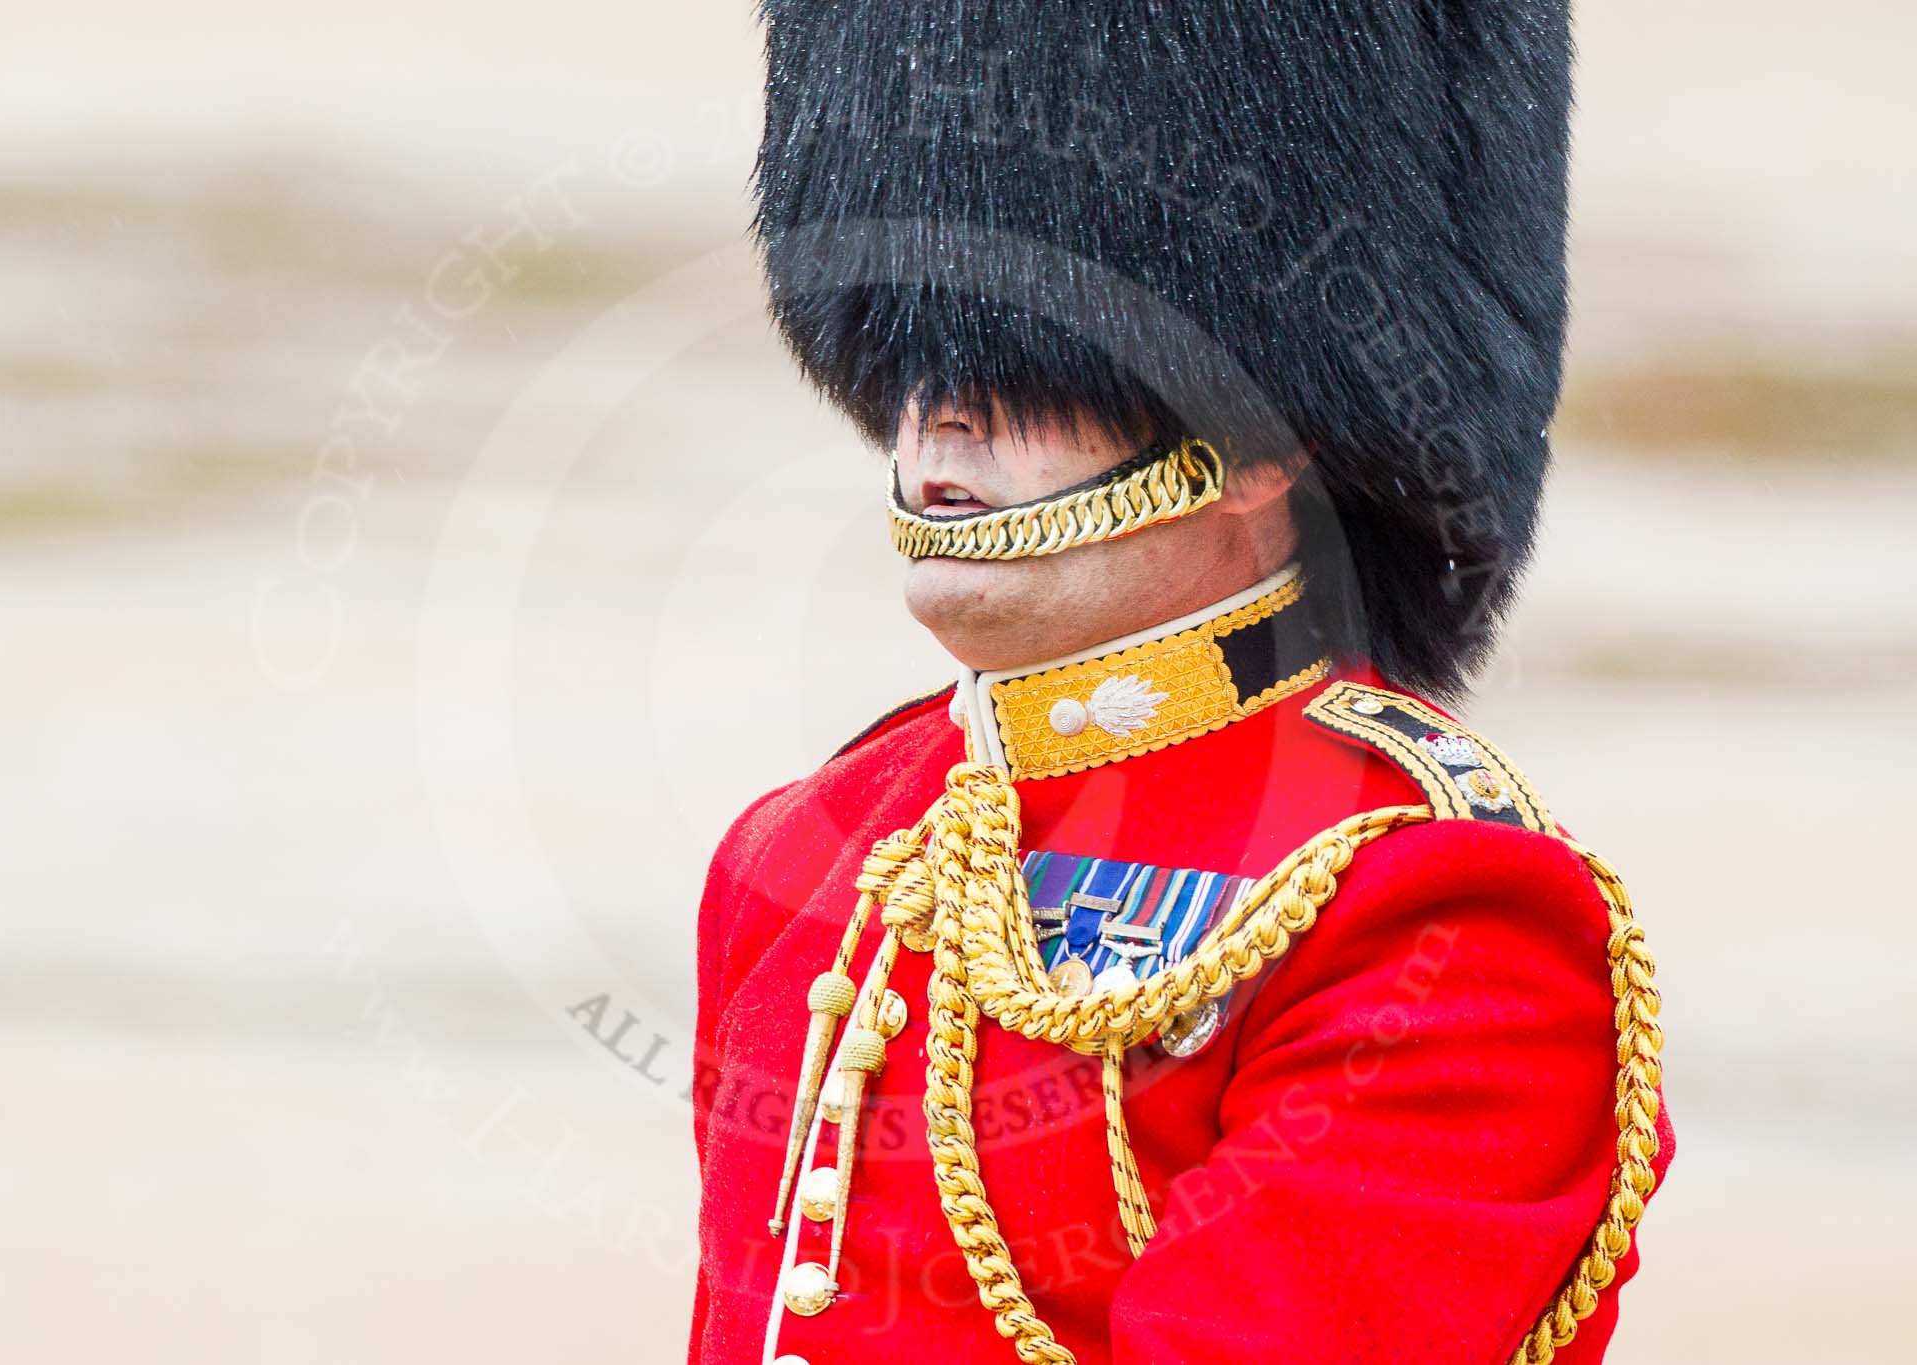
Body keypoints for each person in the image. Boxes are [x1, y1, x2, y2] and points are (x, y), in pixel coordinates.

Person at [689, 3, 1673, 1362]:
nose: (939, 411)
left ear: (1263, 433)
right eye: (918, 354)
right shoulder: (808, 846)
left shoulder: (1436, 918)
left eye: (1020, 361)